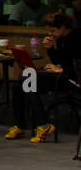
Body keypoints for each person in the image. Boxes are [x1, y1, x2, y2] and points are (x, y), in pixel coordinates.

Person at [7, 9, 80, 142]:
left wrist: (60, 69)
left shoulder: (75, 38)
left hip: (71, 80)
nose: (50, 34)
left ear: (63, 27)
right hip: (61, 76)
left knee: (26, 78)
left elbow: (74, 65)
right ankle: (20, 125)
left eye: (52, 31)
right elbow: (60, 60)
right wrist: (51, 49)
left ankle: (43, 123)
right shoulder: (62, 39)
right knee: (19, 84)